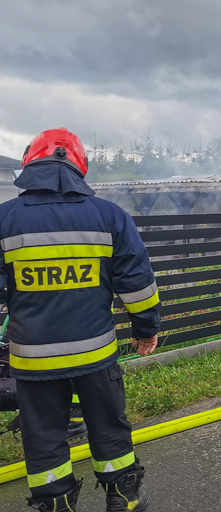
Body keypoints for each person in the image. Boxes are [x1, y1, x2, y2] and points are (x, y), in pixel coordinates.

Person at [0, 129, 161, 512]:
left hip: (33, 360)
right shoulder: (110, 216)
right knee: (108, 426)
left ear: (29, 165)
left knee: (43, 436)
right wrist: (146, 329)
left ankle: (55, 504)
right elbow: (138, 284)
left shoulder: (4, 219)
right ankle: (122, 498)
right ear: (78, 166)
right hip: (95, 356)